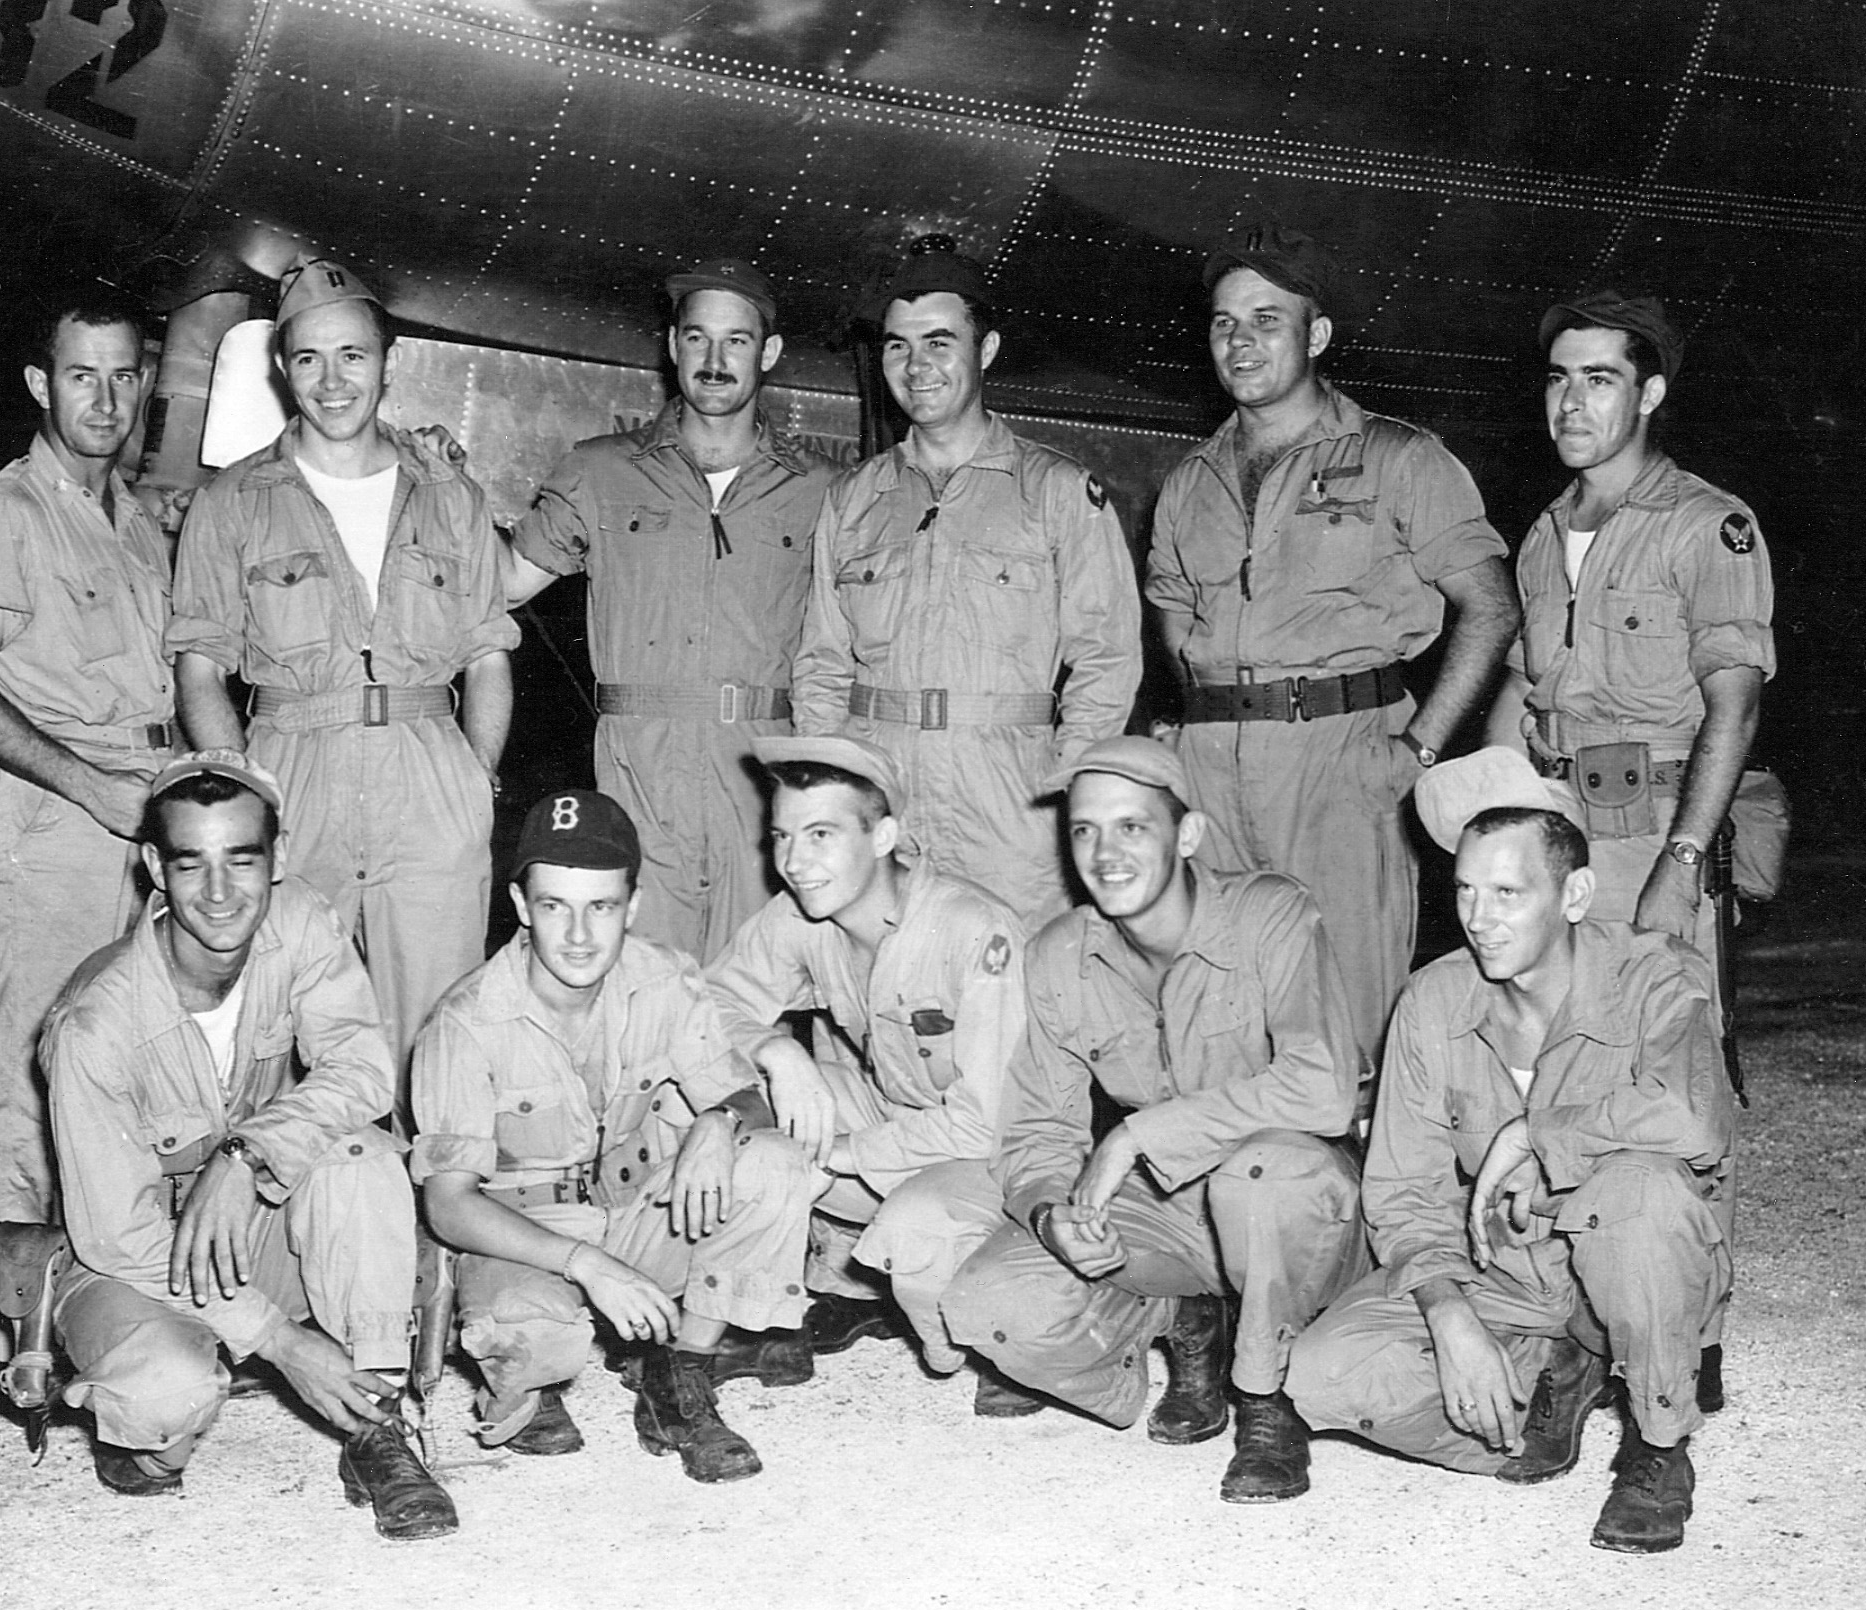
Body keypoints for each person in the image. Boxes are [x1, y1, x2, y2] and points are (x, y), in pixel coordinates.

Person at [1286, 753, 1733, 1554]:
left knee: (1643, 1192)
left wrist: (1535, 1134)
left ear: (1574, 896)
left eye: (1506, 893)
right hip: (1509, 1275)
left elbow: (1695, 1117)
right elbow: (1402, 1191)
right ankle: (1555, 1379)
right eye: (1464, 890)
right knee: (1322, 1373)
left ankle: (1658, 1446)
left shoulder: (1655, 976)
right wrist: (1450, 1315)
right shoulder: (1432, 1000)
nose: (1478, 918)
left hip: (1627, 1256)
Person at [39, 751, 456, 1539]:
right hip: (136, 1260)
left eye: (243, 859)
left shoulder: (298, 920)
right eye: (191, 864)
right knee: (166, 1394)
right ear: (153, 867)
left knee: (358, 1156)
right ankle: (147, 1440)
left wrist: (248, 1154)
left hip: (254, 1223)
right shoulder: (94, 1025)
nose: (222, 892)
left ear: (280, 859)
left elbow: (362, 1069)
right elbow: (118, 1234)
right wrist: (282, 1341)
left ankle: (374, 1420)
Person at [939, 736, 1368, 1500]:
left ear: (1188, 836)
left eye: (1132, 826)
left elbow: (1324, 1088)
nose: (1104, 853)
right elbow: (1038, 1130)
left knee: (1262, 1171)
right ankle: (1182, 1317)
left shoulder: (1271, 914)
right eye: (1085, 830)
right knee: (987, 1304)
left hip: (1295, 1208)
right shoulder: (1061, 953)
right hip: (1172, 1215)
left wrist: (1141, 1131)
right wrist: (1049, 1217)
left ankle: (1268, 1400)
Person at [1146, 223, 1520, 1067]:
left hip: (1341, 761)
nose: (1240, 341)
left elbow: (1491, 608)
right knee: (1223, 1008)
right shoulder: (1187, 483)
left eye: (1266, 320)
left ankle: (1362, 1190)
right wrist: (1198, 721)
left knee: (1350, 1014)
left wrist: (1417, 750)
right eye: (1223, 323)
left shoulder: (1399, 458)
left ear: (1315, 335)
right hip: (1215, 767)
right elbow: (1172, 616)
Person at [170, 258, 517, 1079]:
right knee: (284, 1030)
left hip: (430, 776)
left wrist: (477, 782)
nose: (333, 381)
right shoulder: (235, 501)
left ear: (386, 361)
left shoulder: (450, 494)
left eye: (353, 355)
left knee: (439, 1042)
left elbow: (489, 653)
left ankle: (430, 1202)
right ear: (284, 371)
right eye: (310, 359)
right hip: (294, 774)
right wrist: (250, 793)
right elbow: (199, 669)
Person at [411, 790, 818, 1484]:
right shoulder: (465, 1022)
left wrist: (718, 1124)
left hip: (632, 1213)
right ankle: (528, 1377)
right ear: (519, 904)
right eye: (554, 905)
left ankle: (678, 1374)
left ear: (630, 906)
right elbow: (449, 1204)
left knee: (773, 1164)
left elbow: (739, 1093)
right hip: (521, 1232)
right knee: (539, 1338)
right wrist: (588, 1266)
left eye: (599, 906)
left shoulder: (663, 978)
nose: (577, 934)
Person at [0, 287, 178, 1414]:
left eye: (125, 376)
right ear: (42, 383)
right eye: (83, 374)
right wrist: (88, 786)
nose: (106, 398)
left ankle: (96, 1305)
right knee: (24, 1073)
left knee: (109, 1072)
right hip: (54, 818)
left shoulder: (129, 518)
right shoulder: (10, 514)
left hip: (138, 810)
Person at [790, 237, 1141, 926]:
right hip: (882, 801)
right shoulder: (853, 500)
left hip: (1009, 811)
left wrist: (1063, 793)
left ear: (985, 351)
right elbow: (822, 666)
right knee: (877, 998)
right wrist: (835, 797)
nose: (917, 367)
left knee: (1014, 1002)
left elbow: (1105, 662)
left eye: (939, 342)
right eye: (897, 346)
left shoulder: (1058, 493)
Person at [507, 257, 842, 961]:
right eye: (697, 338)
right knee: (641, 992)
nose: (714, 361)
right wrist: (435, 484)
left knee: (753, 996)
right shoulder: (599, 471)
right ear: (671, 345)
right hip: (639, 769)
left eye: (737, 341)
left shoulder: (825, 490)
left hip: (762, 775)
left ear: (769, 353)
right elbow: (502, 585)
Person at [705, 736, 1028, 1398]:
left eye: (821, 834)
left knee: (917, 1231)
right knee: (714, 1110)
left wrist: (840, 1153)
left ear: (883, 836)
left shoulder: (974, 931)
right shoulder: (802, 915)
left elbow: (986, 1127)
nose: (795, 861)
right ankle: (770, 1322)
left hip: (1005, 1157)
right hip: (902, 1121)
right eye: (783, 836)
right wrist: (776, 1050)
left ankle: (1006, 1323)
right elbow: (703, 1008)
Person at [1487, 290, 1774, 960]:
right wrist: (1496, 833)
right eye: (1559, 378)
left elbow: (1735, 712)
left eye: (1599, 379)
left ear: (1648, 395)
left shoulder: (1706, 526)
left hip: (1652, 833)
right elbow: (1517, 694)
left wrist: (1680, 863)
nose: (1571, 402)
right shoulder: (1543, 532)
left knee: (1663, 1049)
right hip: (1552, 830)